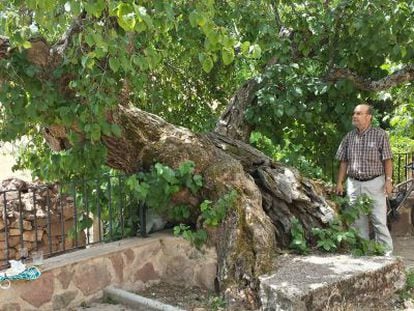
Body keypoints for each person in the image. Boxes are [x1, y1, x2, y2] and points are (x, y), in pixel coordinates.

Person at [335, 103, 393, 254]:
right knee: (357, 222)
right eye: (354, 113)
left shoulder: (380, 135)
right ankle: (364, 256)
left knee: (379, 221)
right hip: (354, 184)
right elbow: (343, 161)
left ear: (369, 117)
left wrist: (389, 181)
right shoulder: (349, 137)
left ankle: (387, 257)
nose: (355, 116)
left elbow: (387, 160)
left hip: (375, 183)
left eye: (359, 113)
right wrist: (340, 182)